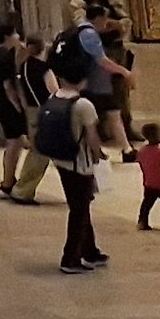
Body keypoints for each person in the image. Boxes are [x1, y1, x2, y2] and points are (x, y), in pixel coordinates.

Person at [43, 69, 109, 273]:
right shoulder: (83, 105)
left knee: (80, 206)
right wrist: (99, 155)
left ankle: (90, 251)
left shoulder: (54, 97)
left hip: (62, 159)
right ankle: (70, 257)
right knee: (79, 210)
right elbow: (92, 136)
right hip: (80, 162)